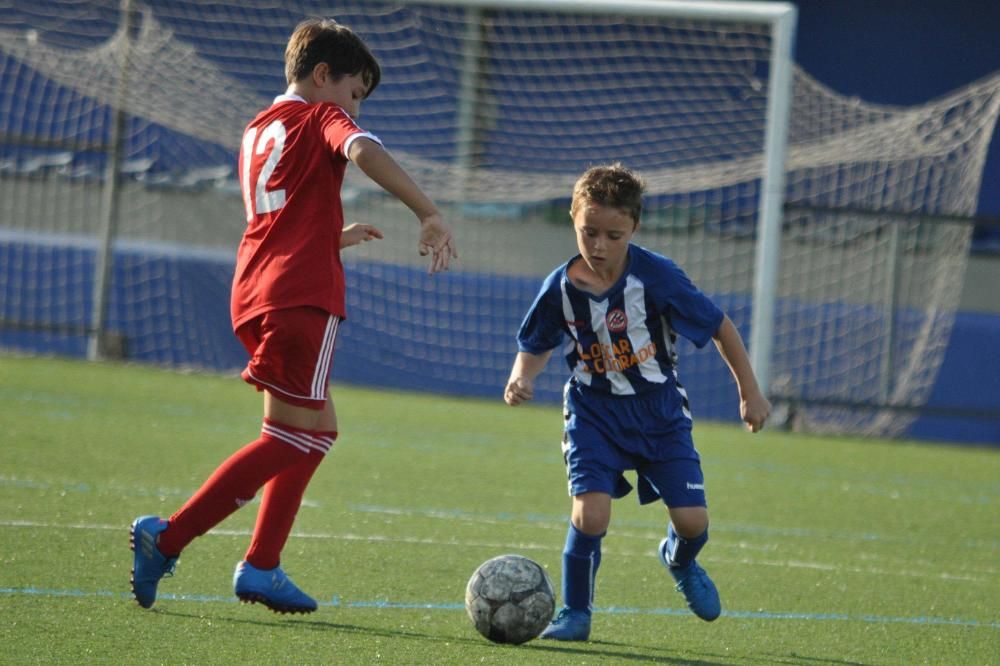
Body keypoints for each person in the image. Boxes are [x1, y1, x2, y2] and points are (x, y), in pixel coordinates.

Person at [129, 18, 457, 614]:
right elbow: (362, 149)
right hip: (300, 296)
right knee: (286, 437)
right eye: (355, 93)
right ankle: (169, 536)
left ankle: (262, 565)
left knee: (318, 430)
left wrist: (333, 235)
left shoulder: (260, 126)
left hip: (258, 287)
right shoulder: (319, 116)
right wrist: (427, 212)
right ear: (324, 75)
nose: (353, 108)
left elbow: (280, 216)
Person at [503, 163, 769, 640]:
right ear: (572, 219)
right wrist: (521, 377)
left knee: (692, 522)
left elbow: (720, 326)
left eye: (613, 234)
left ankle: (679, 559)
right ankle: (576, 614)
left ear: (634, 229)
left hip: (659, 412)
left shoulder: (658, 277)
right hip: (593, 412)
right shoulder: (559, 288)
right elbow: (537, 340)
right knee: (591, 513)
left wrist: (749, 392)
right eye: (589, 232)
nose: (599, 245)